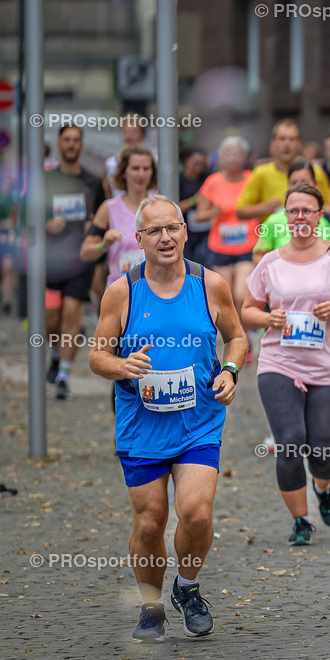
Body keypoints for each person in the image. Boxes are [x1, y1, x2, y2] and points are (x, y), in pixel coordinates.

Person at [89, 194, 248, 643]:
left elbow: (236, 338)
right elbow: (97, 356)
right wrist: (122, 367)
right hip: (142, 425)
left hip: (199, 419)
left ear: (184, 231)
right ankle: (152, 604)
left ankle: (188, 587)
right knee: (150, 522)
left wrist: (231, 371)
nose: (165, 238)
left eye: (172, 228)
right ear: (139, 238)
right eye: (155, 231)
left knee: (196, 514)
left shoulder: (209, 284)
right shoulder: (123, 290)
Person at [241, 183, 330, 545]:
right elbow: (248, 310)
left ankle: (323, 487)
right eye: (293, 210)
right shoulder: (270, 261)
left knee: (323, 452)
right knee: (291, 442)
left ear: (319, 215)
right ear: (285, 215)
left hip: (328, 366)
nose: (299, 217)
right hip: (279, 362)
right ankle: (300, 521)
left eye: (307, 211)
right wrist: (269, 319)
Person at [43, 125, 106, 398]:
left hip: (80, 260)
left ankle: (64, 376)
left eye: (76, 140)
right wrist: (46, 223)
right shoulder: (46, 180)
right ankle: (56, 353)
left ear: (81, 146)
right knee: (51, 321)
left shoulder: (93, 182)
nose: (71, 144)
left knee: (72, 314)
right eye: (66, 140)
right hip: (51, 259)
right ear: (59, 144)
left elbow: (103, 218)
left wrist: (94, 228)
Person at [194, 136, 255, 321]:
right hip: (220, 246)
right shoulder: (213, 181)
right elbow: (199, 215)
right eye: (229, 152)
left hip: (248, 244)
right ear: (221, 156)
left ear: (245, 157)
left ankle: (246, 336)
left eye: (238, 153)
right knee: (226, 298)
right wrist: (213, 212)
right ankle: (235, 339)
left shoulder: (252, 179)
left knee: (241, 295)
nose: (234, 156)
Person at [81, 145, 159, 290]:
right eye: (135, 168)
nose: (141, 174)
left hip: (155, 290)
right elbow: (85, 252)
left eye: (146, 168)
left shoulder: (160, 206)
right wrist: (103, 245)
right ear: (123, 172)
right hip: (121, 292)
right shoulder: (109, 208)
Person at [251, 160, 330, 264]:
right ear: (288, 184)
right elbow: (258, 257)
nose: (299, 187)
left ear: (315, 184)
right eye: (294, 183)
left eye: (304, 182)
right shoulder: (273, 221)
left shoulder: (329, 220)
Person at [235, 119, 330, 224]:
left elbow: (329, 206)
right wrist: (264, 207)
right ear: (273, 143)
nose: (287, 144)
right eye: (282, 139)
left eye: (292, 139)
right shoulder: (261, 173)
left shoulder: (315, 171)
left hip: (309, 235)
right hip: (272, 236)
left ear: (299, 144)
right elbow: (240, 211)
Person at [178, 149, 211, 265]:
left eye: (202, 163)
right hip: (187, 231)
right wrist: (194, 200)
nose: (199, 167)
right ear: (186, 161)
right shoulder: (178, 181)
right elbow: (174, 207)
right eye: (195, 163)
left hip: (206, 230)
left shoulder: (208, 178)